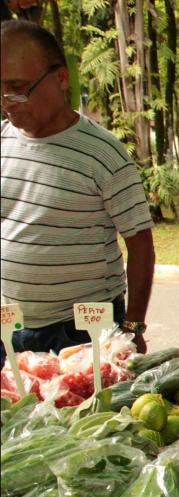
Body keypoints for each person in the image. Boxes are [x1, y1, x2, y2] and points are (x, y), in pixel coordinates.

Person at [1, 20, 155, 363]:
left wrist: (134, 325)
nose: (8, 102)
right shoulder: (2, 140)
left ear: (60, 78)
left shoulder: (103, 154)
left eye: (17, 88)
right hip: (9, 326)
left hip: (81, 330)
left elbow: (140, 245)